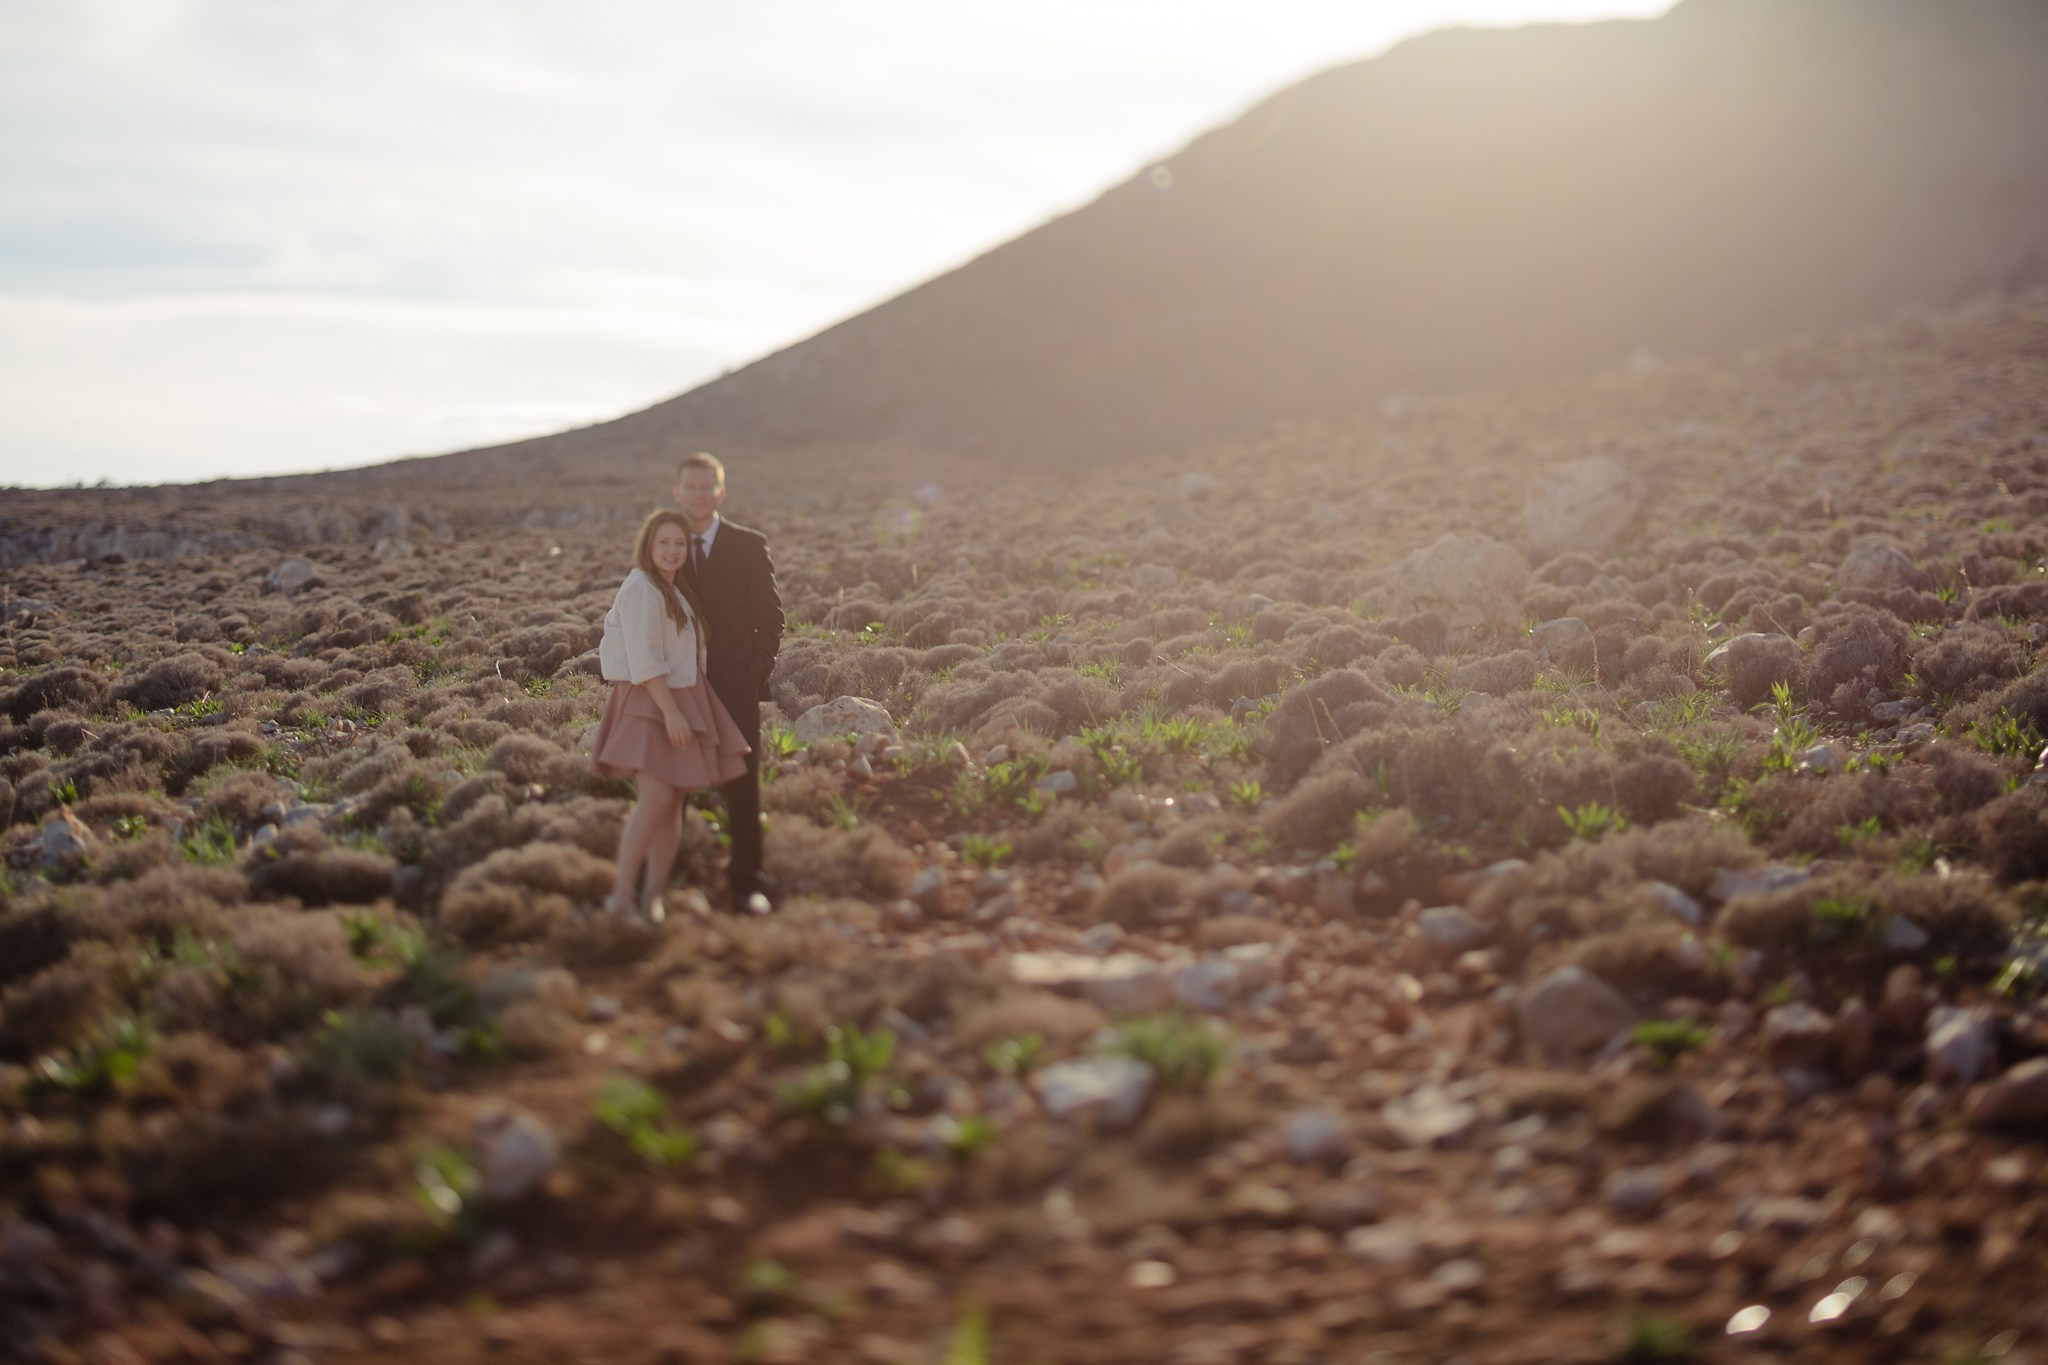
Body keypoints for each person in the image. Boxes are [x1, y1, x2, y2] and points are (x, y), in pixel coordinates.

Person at [589, 509, 752, 917]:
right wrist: (672, 713)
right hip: (652, 700)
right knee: (657, 798)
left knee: (674, 799)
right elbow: (645, 658)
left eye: (679, 544)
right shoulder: (642, 587)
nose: (672, 550)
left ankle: (652, 900)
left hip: (682, 695)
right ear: (648, 545)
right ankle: (621, 897)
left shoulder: (673, 590)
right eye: (664, 542)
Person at [673, 450, 785, 912]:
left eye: (707, 487)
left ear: (720, 492)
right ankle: (671, 877)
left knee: (742, 783)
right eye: (690, 487)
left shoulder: (747, 545)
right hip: (679, 684)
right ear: (677, 492)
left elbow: (771, 617)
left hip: (734, 682)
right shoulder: (665, 543)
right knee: (673, 782)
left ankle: (746, 881)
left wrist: (752, 672)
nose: (699, 495)